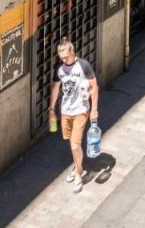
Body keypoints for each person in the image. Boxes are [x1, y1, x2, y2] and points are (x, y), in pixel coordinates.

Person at [49, 38, 99, 192]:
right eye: (61, 58)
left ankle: (78, 174)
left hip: (81, 110)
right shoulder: (60, 68)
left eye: (66, 57)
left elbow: (94, 86)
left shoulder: (83, 66)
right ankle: (78, 166)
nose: (64, 60)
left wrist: (94, 109)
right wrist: (51, 109)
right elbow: (56, 88)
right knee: (71, 142)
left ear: (72, 52)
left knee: (75, 144)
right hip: (66, 111)